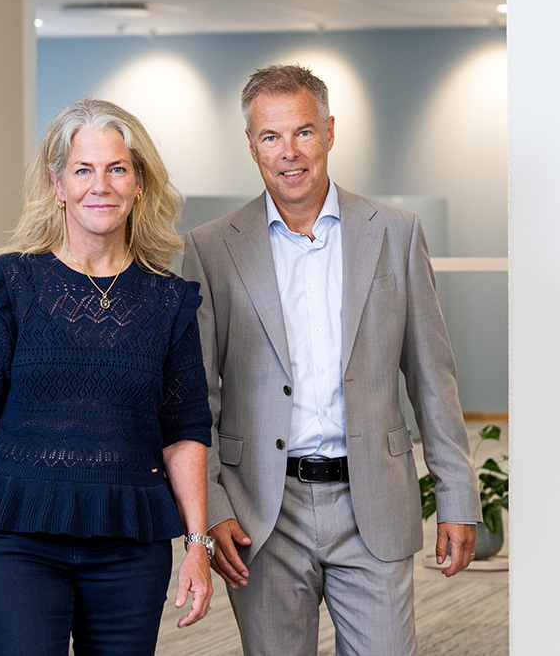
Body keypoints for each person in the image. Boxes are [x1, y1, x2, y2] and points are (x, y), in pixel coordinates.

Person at [181, 64, 481, 656]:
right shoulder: (211, 247)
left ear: (330, 132)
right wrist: (213, 511)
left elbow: (431, 378)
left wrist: (457, 496)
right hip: (263, 513)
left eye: (303, 132)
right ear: (251, 144)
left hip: (372, 500)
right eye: (270, 137)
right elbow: (197, 397)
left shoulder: (395, 232)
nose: (288, 152)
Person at [0, 99, 214, 656]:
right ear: (57, 183)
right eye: (83, 170)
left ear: (139, 184)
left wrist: (197, 545)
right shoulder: (8, 284)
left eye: (116, 169)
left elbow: (184, 432)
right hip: (18, 541)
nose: (99, 186)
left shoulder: (167, 301)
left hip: (130, 543)